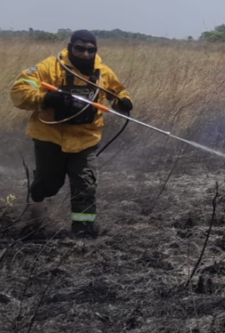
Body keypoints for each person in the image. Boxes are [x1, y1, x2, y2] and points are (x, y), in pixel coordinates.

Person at [9, 30, 133, 238]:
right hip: (50, 137)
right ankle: (35, 215)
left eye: (90, 50)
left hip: (86, 139)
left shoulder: (103, 72)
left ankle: (83, 232)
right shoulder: (50, 67)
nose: (85, 54)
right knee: (48, 185)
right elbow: (19, 90)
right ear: (70, 47)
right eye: (79, 48)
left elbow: (118, 91)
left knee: (85, 185)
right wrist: (46, 98)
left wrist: (123, 101)